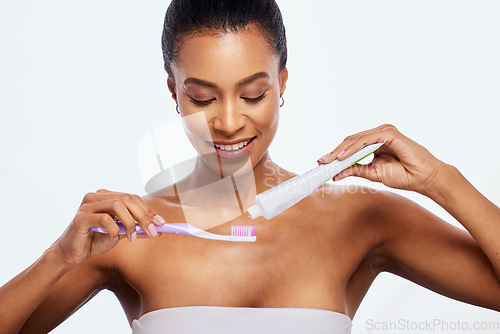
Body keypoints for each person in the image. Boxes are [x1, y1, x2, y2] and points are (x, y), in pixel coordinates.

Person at [1, 0, 500, 333]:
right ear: (174, 92)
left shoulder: (361, 219)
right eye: (201, 98)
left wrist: (440, 180)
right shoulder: (127, 233)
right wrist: (58, 259)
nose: (229, 121)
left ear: (282, 83)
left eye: (254, 94)